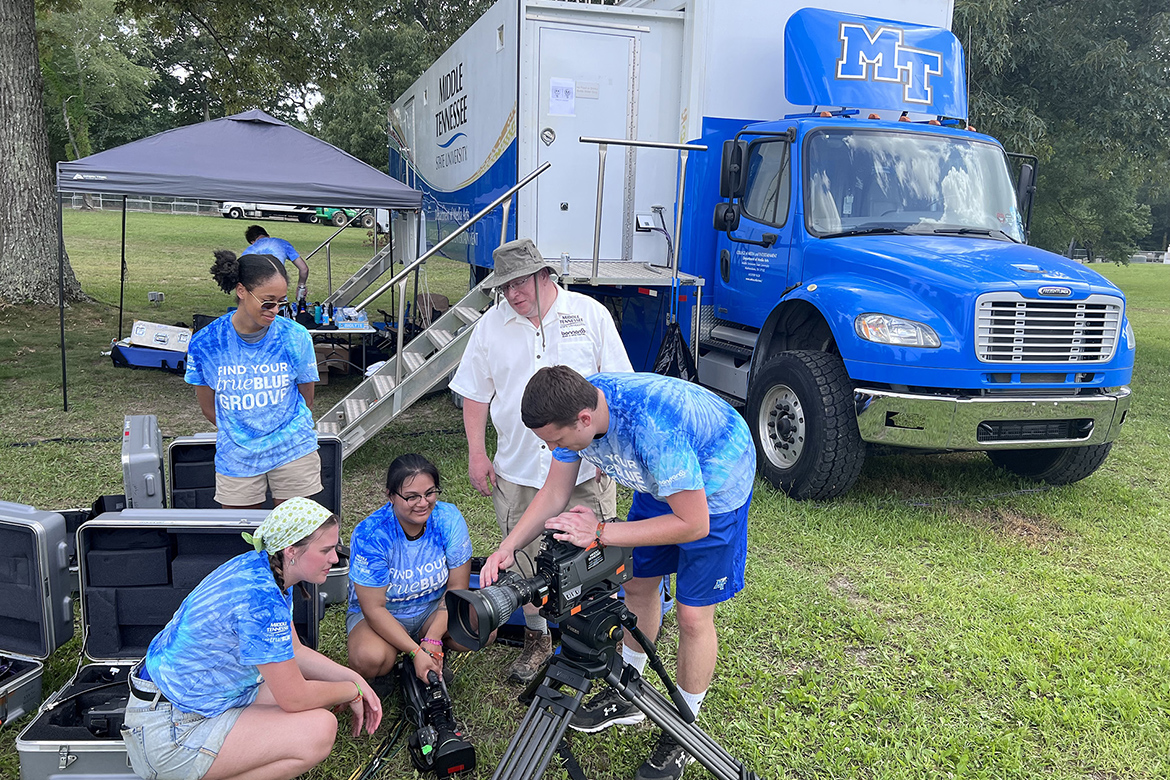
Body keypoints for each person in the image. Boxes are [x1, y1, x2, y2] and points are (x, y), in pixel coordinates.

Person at [481, 366, 755, 780]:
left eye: (556, 440)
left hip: (715, 493)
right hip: (662, 485)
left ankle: (682, 730)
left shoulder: (653, 431)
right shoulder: (573, 406)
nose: (553, 448)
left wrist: (602, 531)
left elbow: (694, 523)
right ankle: (628, 689)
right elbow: (555, 492)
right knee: (638, 585)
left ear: (584, 420)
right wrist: (508, 546)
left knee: (692, 615)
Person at [449, 237, 632, 683]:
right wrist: (477, 452)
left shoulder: (590, 314)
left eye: (520, 282)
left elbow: (619, 387)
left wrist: (611, 452)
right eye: (504, 287)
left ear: (543, 273)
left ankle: (596, 641)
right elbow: (474, 393)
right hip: (518, 469)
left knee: (592, 557)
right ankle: (537, 641)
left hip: (585, 470)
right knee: (525, 562)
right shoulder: (490, 326)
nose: (513, 294)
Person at [121, 498, 382, 780]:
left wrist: (355, 680)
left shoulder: (267, 568)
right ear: (291, 550)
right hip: (172, 731)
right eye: (327, 550)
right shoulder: (261, 599)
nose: (335, 558)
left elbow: (295, 651)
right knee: (319, 729)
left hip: (184, 704)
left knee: (314, 697)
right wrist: (349, 690)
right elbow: (294, 698)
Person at [186, 250, 321, 509]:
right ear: (241, 291)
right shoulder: (206, 343)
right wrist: (243, 431)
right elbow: (208, 407)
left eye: (282, 302)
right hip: (237, 455)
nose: (275, 311)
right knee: (243, 537)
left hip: (294, 449)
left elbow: (307, 397)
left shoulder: (296, 336)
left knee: (295, 538)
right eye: (268, 301)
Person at [346, 454, 474, 685]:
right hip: (384, 614)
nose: (423, 503)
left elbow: (457, 587)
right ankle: (388, 669)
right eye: (411, 497)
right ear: (390, 496)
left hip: (432, 608)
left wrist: (433, 639)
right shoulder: (371, 534)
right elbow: (373, 608)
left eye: (430, 493)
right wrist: (416, 652)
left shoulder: (448, 518)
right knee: (369, 658)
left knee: (477, 624)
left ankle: (436, 651)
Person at [242, 225, 310, 301]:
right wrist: (301, 286)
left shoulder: (248, 252)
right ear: (268, 236)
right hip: (278, 292)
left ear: (252, 242)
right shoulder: (282, 243)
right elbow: (304, 269)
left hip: (256, 297)